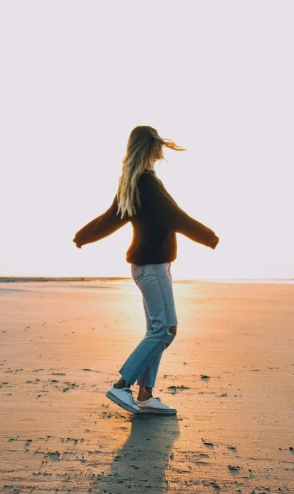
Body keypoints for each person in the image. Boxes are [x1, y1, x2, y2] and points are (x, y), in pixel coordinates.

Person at [73, 125, 219, 415]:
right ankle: (122, 385)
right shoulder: (148, 183)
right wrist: (209, 237)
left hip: (145, 267)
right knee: (165, 329)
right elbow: (175, 217)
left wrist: (82, 236)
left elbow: (108, 219)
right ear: (154, 148)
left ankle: (145, 395)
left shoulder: (132, 183)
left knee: (156, 330)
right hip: (152, 267)